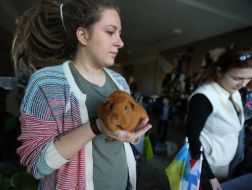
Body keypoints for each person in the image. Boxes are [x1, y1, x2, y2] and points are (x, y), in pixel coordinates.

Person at [14, 0, 152, 189]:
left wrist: (133, 135)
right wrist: (97, 127)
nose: (120, 42)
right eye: (111, 32)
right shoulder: (47, 83)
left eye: (119, 34)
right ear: (83, 35)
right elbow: (36, 164)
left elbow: (127, 134)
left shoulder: (119, 81)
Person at [186, 49, 252, 190]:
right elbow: (192, 137)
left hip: (225, 159)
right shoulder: (203, 97)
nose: (243, 84)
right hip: (208, 163)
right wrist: (208, 175)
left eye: (248, 78)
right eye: (237, 78)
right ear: (219, 72)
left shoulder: (234, 92)